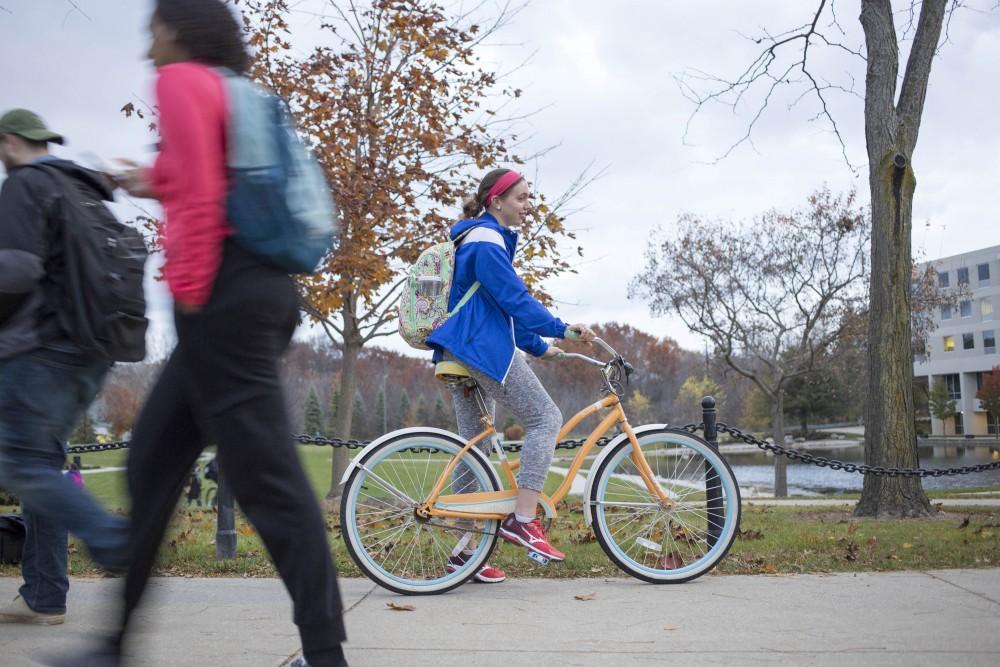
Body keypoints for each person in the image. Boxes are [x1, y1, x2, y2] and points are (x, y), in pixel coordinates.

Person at [105, 2, 346, 666]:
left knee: (271, 485)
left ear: (179, 31)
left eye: (152, 33)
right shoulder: (235, 94)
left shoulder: (183, 81)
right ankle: (112, 644)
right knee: (151, 460)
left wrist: (188, 297)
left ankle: (327, 655)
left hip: (221, 300)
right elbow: (209, 179)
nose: (147, 49)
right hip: (252, 292)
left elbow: (207, 198)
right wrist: (149, 179)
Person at [426, 168, 595, 580]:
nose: (527, 205)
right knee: (545, 418)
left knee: (475, 447)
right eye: (520, 198)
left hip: (460, 346)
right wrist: (563, 328)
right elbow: (515, 299)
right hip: (480, 348)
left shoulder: (479, 238)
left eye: (528, 197)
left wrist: (541, 347)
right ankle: (523, 519)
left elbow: (498, 307)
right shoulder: (486, 240)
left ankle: (465, 552)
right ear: (496, 201)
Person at [0, 109, 128, 626]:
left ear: (9, 142)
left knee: (21, 463)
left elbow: (16, 271)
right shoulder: (84, 190)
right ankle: (46, 594)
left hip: (40, 350)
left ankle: (114, 538)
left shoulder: (26, 186)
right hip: (92, 351)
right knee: (39, 466)